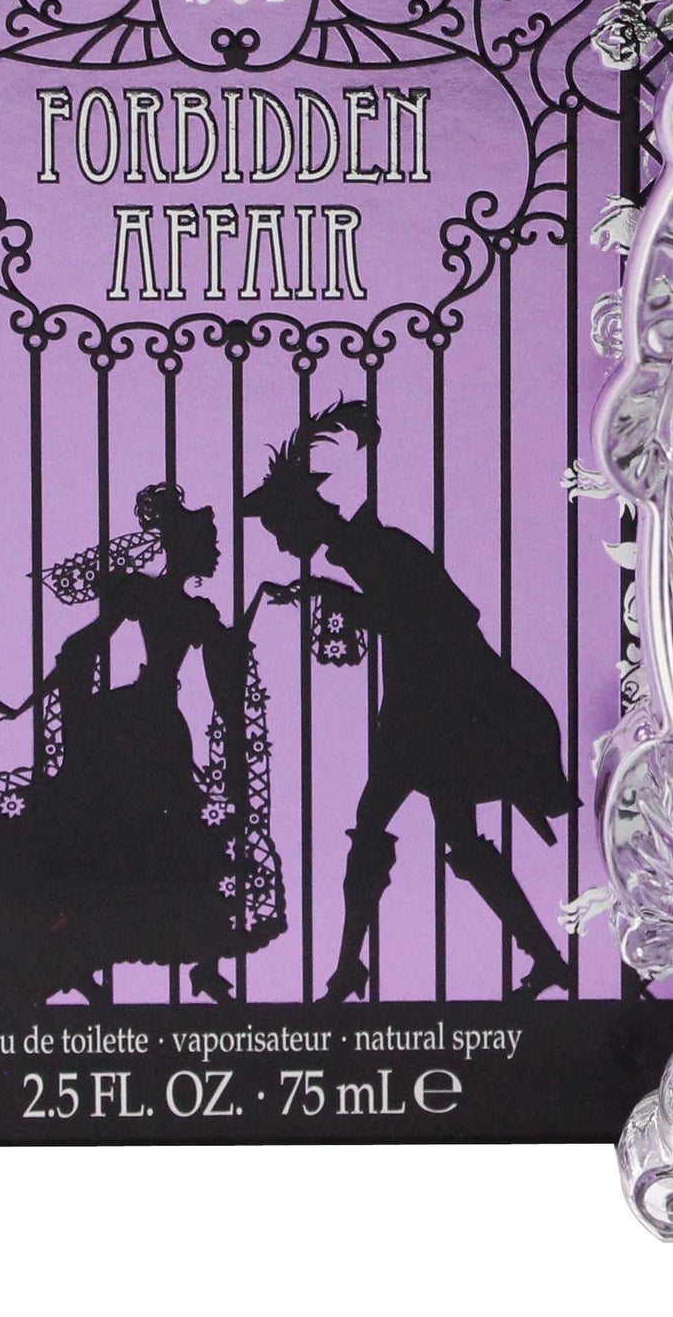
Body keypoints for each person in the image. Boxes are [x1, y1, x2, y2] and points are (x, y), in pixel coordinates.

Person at [0, 483, 283, 1009]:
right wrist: (30, 703)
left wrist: (243, 627)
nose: (216, 552)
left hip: (157, 724)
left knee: (173, 834)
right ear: (183, 546)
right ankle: (89, 957)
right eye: (209, 542)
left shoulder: (194, 610)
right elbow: (82, 646)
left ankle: (196, 961)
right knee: (134, 835)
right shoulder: (153, 597)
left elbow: (214, 668)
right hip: (137, 724)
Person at [242, 401, 573, 1003]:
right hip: (424, 715)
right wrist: (331, 591)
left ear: (306, 514)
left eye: (281, 530)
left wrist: (334, 595)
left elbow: (434, 617)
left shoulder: (380, 547)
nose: (282, 543)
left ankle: (352, 970)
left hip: (434, 718)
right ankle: (543, 957)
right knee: (440, 836)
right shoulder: (362, 550)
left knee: (385, 824)